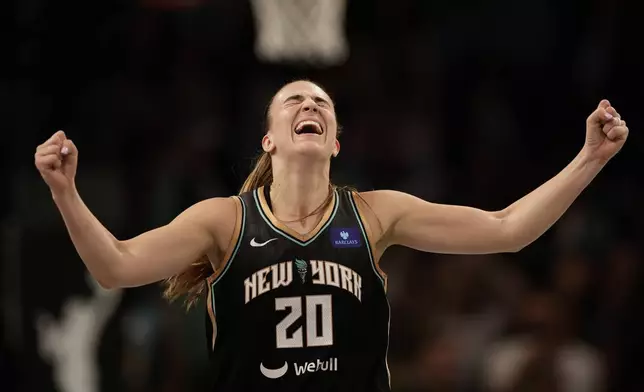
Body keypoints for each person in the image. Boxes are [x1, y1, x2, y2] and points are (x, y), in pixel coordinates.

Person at [34, 80, 629, 392]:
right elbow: (114, 266)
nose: (309, 103)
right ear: (270, 138)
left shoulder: (373, 214)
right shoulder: (223, 220)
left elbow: (507, 230)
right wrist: (65, 191)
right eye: (293, 99)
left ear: (335, 140)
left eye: (320, 100)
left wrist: (590, 158)